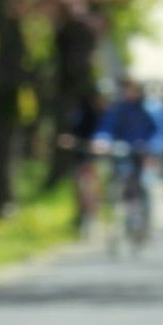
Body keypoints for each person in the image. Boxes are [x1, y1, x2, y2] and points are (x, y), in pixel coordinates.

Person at [93, 79, 163, 237]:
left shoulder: (152, 108)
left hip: (145, 152)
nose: (128, 93)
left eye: (131, 89)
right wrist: (101, 140)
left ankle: (145, 221)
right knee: (119, 178)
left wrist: (152, 148)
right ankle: (120, 213)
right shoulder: (119, 108)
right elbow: (107, 127)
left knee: (144, 183)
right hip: (124, 151)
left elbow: (162, 132)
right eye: (125, 89)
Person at [58, 85, 105, 237]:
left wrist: (99, 145)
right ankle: (82, 217)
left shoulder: (103, 115)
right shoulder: (79, 114)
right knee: (80, 188)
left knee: (93, 187)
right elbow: (71, 133)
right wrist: (69, 140)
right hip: (80, 155)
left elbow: (105, 135)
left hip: (95, 157)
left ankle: (94, 214)